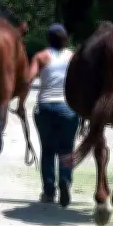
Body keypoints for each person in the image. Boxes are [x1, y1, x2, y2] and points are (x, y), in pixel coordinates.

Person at [28, 23, 80, 208]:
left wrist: (19, 103)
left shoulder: (41, 57)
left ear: (48, 39)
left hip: (46, 108)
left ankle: (49, 191)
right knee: (67, 149)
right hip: (68, 109)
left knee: (48, 149)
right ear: (65, 39)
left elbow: (28, 78)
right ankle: (65, 181)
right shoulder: (73, 57)